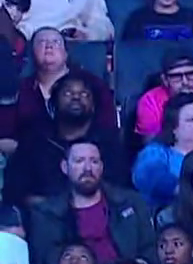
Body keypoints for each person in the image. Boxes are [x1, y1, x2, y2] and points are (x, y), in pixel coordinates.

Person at [31, 141, 159, 264]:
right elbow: (48, 261)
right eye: (79, 161)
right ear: (65, 167)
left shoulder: (131, 202)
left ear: (101, 167)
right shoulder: (47, 213)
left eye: (94, 161)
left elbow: (149, 249)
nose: (87, 168)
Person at [3, 72, 124, 212]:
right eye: (68, 93)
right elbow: (15, 193)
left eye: (84, 94)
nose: (76, 97)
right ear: (54, 103)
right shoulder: (34, 142)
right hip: (42, 218)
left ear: (93, 106)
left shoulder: (108, 144)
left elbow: (121, 191)